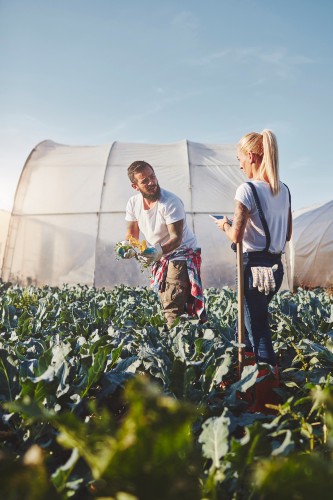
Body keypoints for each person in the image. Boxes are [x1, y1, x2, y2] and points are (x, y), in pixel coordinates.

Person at [214, 129, 292, 412]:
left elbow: (236, 236)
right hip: (275, 267)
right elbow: (289, 234)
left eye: (240, 159)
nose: (239, 166)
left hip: (252, 267)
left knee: (258, 333)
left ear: (252, 156)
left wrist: (223, 225)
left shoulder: (246, 189)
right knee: (252, 327)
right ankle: (251, 387)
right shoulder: (283, 190)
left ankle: (265, 402)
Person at [122, 160, 207, 329]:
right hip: (161, 255)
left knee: (172, 303)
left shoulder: (170, 202)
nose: (151, 182)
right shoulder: (133, 203)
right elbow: (132, 234)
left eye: (152, 176)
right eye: (144, 180)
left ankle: (175, 342)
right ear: (135, 186)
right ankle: (195, 333)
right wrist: (127, 247)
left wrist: (155, 252)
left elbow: (176, 238)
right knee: (170, 299)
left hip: (181, 253)